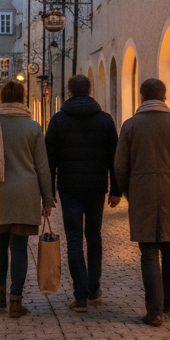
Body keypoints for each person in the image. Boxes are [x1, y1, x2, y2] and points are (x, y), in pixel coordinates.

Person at [113, 78, 170, 327]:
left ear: (142, 96)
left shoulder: (130, 125)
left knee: (149, 252)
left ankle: (154, 311)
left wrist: (119, 190)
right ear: (164, 97)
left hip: (142, 193)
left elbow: (120, 165)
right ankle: (169, 300)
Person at [0, 80, 54, 317]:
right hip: (25, 194)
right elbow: (42, 166)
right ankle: (15, 300)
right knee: (19, 247)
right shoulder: (33, 127)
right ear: (22, 98)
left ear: (2, 97)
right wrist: (47, 199)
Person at [44, 74, 120, 312]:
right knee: (94, 236)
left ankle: (81, 296)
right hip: (96, 187)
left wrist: (48, 193)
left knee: (75, 240)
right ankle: (94, 286)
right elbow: (114, 159)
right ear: (89, 91)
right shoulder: (105, 120)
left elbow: (49, 160)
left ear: (69, 93)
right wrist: (116, 190)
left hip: (70, 188)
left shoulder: (58, 120)